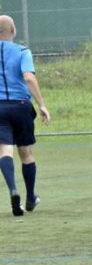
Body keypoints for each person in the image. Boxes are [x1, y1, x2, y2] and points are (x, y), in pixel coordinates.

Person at [0, 15, 51, 216]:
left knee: (5, 150)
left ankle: (13, 190)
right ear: (13, 31)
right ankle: (30, 197)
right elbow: (29, 77)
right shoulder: (22, 51)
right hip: (21, 106)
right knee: (26, 153)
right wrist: (42, 105)